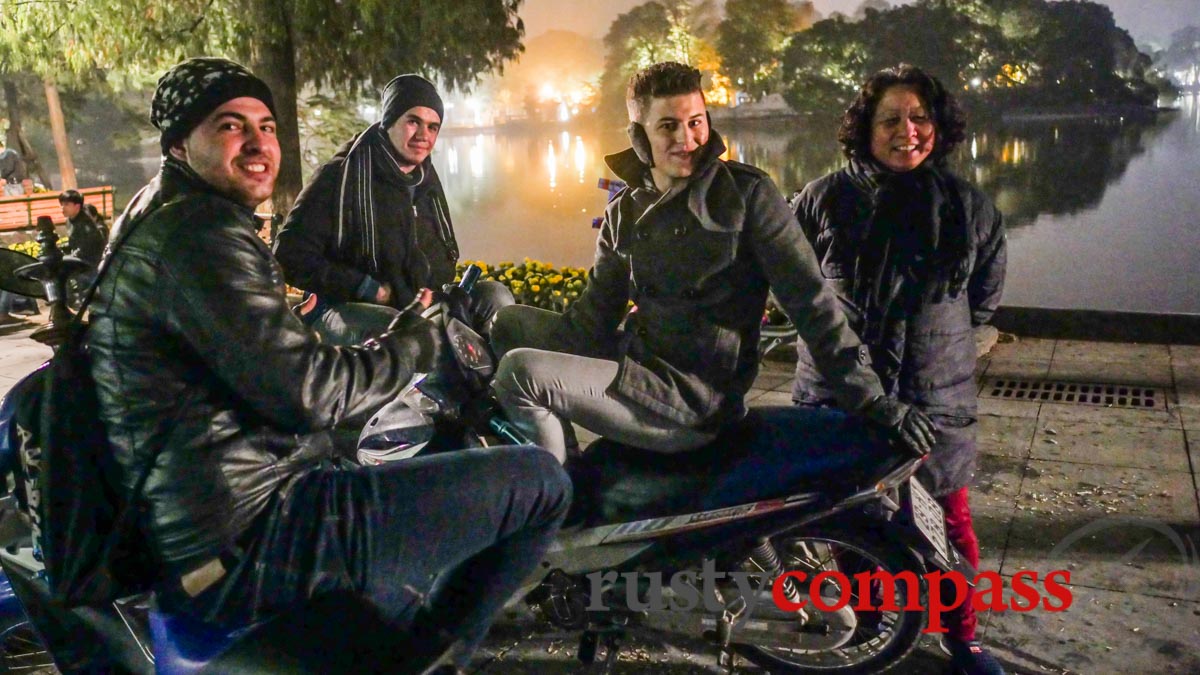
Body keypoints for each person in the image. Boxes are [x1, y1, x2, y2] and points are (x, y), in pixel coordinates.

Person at [85, 57, 570, 673]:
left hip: (215, 503)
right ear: (180, 141)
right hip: (252, 531)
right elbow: (310, 391)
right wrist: (409, 342)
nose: (259, 142)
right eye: (231, 126)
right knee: (542, 485)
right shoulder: (200, 236)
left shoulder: (165, 218)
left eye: (266, 125)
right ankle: (431, 663)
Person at [488, 61, 935, 464]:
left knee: (521, 374)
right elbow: (593, 320)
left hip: (691, 400)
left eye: (695, 122)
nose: (687, 140)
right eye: (668, 126)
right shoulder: (624, 211)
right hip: (639, 364)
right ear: (638, 136)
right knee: (508, 324)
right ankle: (568, 458)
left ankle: (551, 506)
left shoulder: (745, 196)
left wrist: (871, 399)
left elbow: (811, 303)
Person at [789, 64, 1007, 675]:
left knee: (950, 528)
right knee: (850, 524)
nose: (906, 132)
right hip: (842, 398)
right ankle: (870, 632)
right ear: (865, 128)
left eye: (919, 118)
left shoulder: (971, 209)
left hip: (936, 400)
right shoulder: (824, 200)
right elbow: (795, 291)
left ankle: (963, 640)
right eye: (890, 119)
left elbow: (984, 301)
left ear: (938, 127)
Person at [274, 74, 512, 345]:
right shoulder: (340, 177)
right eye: (413, 122)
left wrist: (447, 295)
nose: (423, 135)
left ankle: (493, 381)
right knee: (406, 330)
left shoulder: (425, 181)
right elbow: (289, 254)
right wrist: (366, 287)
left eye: (433, 127)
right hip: (345, 309)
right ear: (389, 122)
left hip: (418, 304)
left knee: (496, 297)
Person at [59, 189, 107, 288]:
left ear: (77, 206)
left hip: (90, 264)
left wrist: (73, 255)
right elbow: (74, 242)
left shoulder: (86, 223)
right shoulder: (69, 221)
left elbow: (90, 245)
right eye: (62, 204)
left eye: (67, 204)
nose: (63, 208)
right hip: (79, 259)